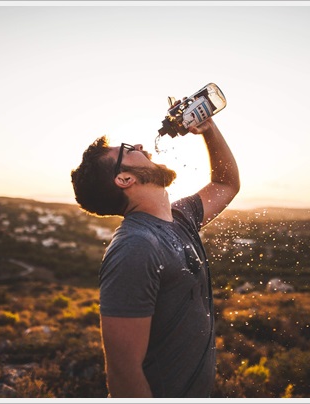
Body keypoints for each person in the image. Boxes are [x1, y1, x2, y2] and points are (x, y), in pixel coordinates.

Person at [70, 117, 239, 397]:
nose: (139, 146)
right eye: (128, 149)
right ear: (125, 179)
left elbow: (226, 184)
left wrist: (208, 128)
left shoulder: (180, 218)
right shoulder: (135, 247)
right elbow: (123, 374)